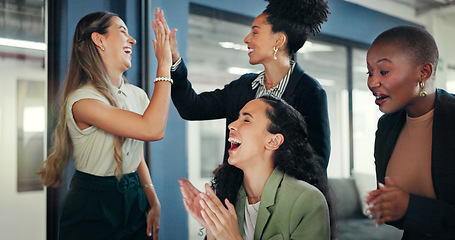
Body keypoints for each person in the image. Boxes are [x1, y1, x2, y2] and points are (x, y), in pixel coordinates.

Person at [38, 10, 172, 240]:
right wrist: (164, 65)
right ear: (98, 40)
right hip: (93, 204)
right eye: (123, 31)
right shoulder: (83, 101)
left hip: (134, 197)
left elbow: (135, 153)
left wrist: (153, 200)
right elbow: (153, 130)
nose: (133, 40)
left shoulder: (137, 95)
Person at [160, 0, 331, 170]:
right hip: (236, 195)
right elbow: (192, 107)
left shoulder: (309, 92)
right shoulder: (242, 87)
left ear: (278, 40)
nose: (246, 39)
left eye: (255, 33)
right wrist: (174, 60)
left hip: (281, 196)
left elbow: (317, 164)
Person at [179, 95, 333, 240]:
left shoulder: (307, 200)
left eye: (246, 120)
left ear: (273, 141)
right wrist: (211, 228)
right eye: (237, 118)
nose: (231, 125)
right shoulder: (228, 196)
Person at [365, 25, 455, 239]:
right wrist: (388, 205)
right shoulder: (386, 125)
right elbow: (398, 213)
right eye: (369, 72)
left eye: (383, 71)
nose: (372, 82)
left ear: (424, 72)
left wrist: (411, 207)